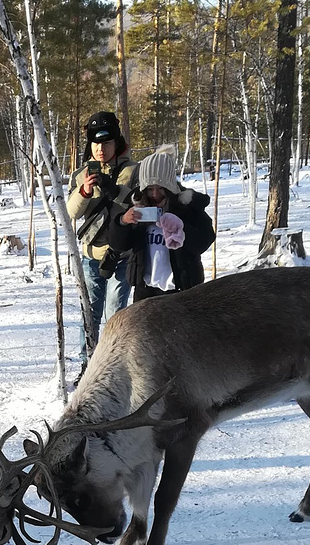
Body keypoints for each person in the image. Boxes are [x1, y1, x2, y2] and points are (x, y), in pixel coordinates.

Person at [66, 110, 138, 359]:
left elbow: (138, 206)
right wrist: (84, 190)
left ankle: (113, 365)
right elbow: (72, 213)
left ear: (116, 143)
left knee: (116, 315)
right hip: (91, 255)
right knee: (89, 314)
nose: (101, 148)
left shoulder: (133, 171)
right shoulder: (81, 174)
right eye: (96, 143)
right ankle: (87, 365)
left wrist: (114, 189)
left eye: (106, 142)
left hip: (122, 255)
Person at [105, 145, 215, 300]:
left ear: (170, 185)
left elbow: (205, 241)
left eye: (161, 188)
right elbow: (119, 245)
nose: (155, 194)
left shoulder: (187, 206)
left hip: (181, 290)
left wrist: (182, 228)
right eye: (150, 189)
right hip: (145, 291)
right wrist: (123, 222)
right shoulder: (138, 206)